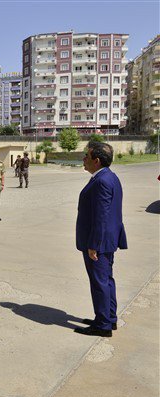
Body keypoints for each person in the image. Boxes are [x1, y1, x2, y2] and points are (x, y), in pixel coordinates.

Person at [74, 142, 127, 337]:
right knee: (106, 281)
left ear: (96, 161)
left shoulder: (102, 181)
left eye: (86, 157)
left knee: (99, 283)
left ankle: (103, 325)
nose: (84, 160)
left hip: (99, 243)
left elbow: (101, 216)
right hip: (106, 240)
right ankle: (107, 318)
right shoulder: (109, 177)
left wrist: (94, 245)